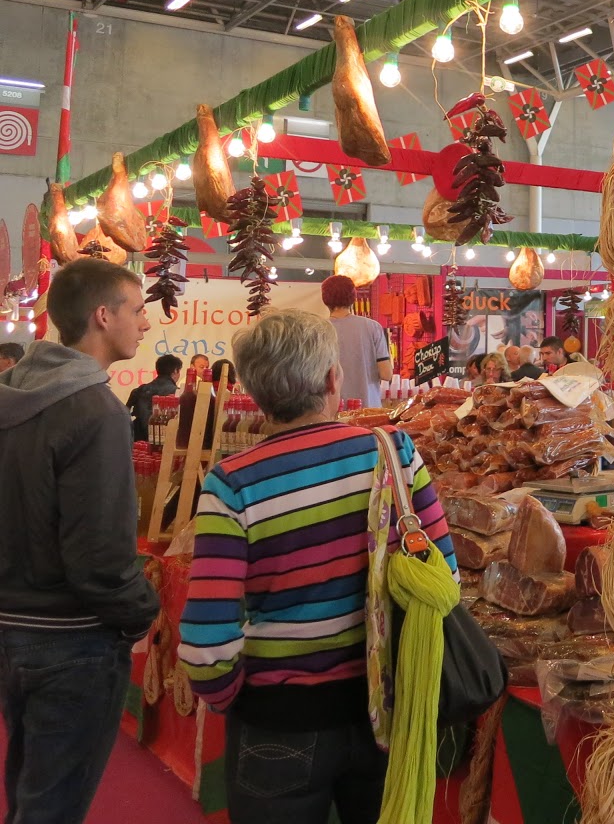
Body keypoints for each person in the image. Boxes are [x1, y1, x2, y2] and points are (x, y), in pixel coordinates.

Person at [177, 309, 456, 824]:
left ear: (254, 392)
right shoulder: (394, 452)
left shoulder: (231, 483)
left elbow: (205, 645)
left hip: (278, 722)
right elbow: (446, 578)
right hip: (386, 710)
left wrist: (235, 699)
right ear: (333, 379)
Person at [0, 258, 160, 824]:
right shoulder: (95, 410)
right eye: (137, 310)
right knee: (51, 806)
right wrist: (141, 612)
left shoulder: (12, 397)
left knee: (30, 792)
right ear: (102, 316)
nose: (146, 323)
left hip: (13, 627)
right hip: (73, 640)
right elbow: (100, 558)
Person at [321, 275, 392, 409]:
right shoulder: (373, 327)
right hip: (368, 409)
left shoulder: (318, 330)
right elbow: (386, 374)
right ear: (353, 297)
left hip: (332, 409)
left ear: (325, 299)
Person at [127, 353, 182, 444]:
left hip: (138, 442)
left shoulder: (139, 390)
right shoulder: (177, 393)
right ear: (175, 371)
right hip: (164, 442)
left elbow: (125, 415)